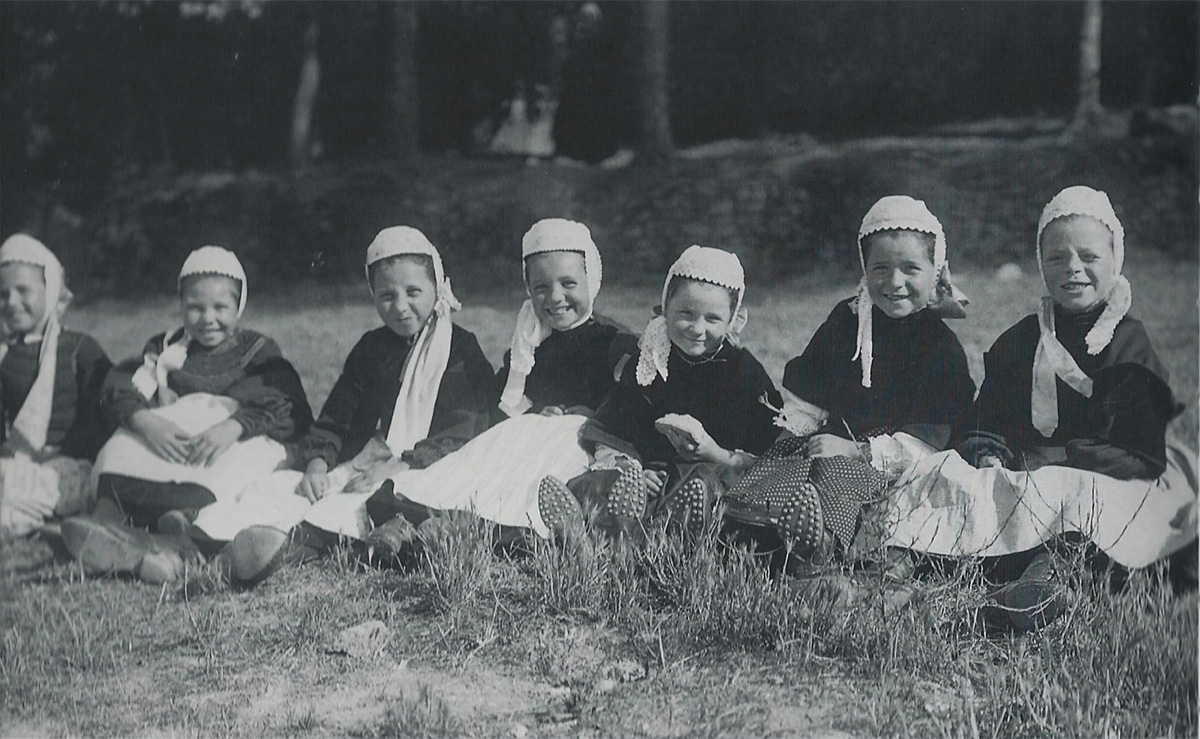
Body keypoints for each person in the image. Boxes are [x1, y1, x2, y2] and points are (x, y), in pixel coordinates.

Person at [884, 186, 1197, 630]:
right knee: (945, 474)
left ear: (1115, 260)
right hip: (1023, 478)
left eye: (1088, 256)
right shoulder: (1021, 341)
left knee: (1088, 508)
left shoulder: (1130, 348)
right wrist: (988, 452)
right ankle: (897, 561)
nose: (1073, 268)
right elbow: (986, 419)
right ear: (1041, 263)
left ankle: (1045, 582)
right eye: (1057, 258)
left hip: (1097, 481)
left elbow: (1138, 454)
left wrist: (1059, 459)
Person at [217, 226, 495, 584]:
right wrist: (318, 462)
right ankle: (257, 542)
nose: (400, 307)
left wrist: (399, 464)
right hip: (372, 457)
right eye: (386, 296)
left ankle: (299, 546)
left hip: (436, 460)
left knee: (385, 496)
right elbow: (339, 414)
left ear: (438, 286)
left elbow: (464, 429)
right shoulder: (371, 349)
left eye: (413, 292)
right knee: (291, 488)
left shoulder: (460, 349)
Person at [720, 196, 975, 571]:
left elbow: (925, 440)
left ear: (935, 272)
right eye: (881, 268)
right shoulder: (848, 319)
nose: (894, 282)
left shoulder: (940, 347)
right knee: (788, 464)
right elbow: (812, 393)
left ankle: (820, 542)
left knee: (837, 476)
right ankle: (747, 531)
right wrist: (796, 434)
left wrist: (858, 450)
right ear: (864, 269)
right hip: (833, 435)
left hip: (889, 457)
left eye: (910, 269)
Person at [360, 219, 636, 553]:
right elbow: (503, 398)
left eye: (568, 283)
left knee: (523, 490)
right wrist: (532, 411)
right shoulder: (529, 341)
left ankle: (446, 529)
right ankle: (408, 523)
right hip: (525, 437)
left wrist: (582, 414)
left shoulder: (613, 342)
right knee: (469, 470)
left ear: (592, 280)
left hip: (580, 443)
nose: (555, 298)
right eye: (541, 288)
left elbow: (628, 402)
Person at [61, 246, 312, 581]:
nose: (208, 319)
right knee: (120, 449)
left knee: (232, 470)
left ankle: (174, 531)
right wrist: (145, 421)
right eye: (195, 307)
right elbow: (123, 387)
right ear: (181, 305)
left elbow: (281, 401)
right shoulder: (166, 347)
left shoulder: (257, 350)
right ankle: (103, 524)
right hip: (169, 435)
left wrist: (234, 427)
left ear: (239, 306)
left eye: (220, 307)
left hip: (225, 437)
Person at [537, 245, 782, 541]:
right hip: (646, 473)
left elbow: (767, 445)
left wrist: (718, 454)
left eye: (712, 319)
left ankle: (657, 532)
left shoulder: (742, 370)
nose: (696, 328)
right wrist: (632, 470)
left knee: (704, 485)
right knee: (594, 483)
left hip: (705, 470)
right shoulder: (651, 360)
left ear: (732, 320)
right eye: (686, 314)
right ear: (665, 308)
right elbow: (617, 424)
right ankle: (591, 529)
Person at [0, 234, 112, 537]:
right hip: (18, 464)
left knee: (23, 486)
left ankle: (47, 521)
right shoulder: (4, 355)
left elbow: (104, 415)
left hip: (70, 464)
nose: (12, 302)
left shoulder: (79, 348)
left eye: (23, 291)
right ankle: (44, 525)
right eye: (2, 294)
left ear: (49, 291)